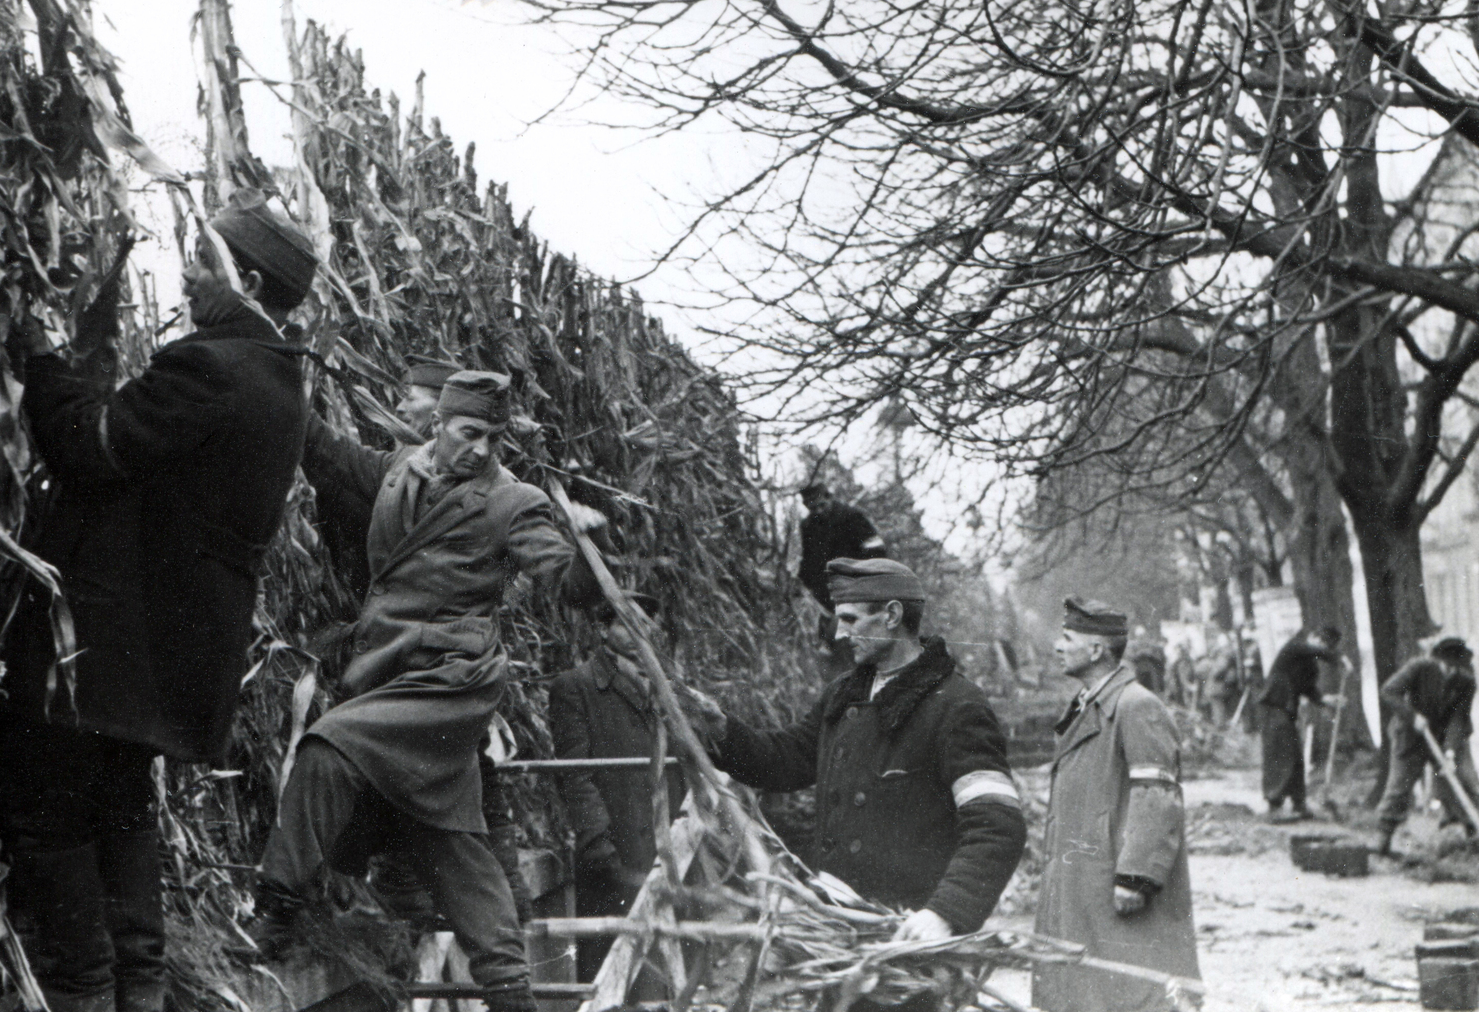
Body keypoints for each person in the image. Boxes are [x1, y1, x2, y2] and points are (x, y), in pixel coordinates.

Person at [0, 191, 317, 1012]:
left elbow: (89, 447)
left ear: (240, 276)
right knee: (127, 850)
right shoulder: (279, 379)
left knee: (61, 866)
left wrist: (38, 354)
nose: (187, 276)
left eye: (201, 261)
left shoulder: (210, 366)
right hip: (158, 673)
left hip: (98, 663)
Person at [248, 370, 604, 1012]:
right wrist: (266, 364)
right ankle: (511, 991)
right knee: (450, 834)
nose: (483, 449)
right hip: (389, 675)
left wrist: (588, 554)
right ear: (438, 425)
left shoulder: (512, 501)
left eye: (494, 438)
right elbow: (323, 452)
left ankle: (274, 907)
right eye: (470, 432)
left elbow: (563, 581)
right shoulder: (393, 471)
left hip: (448, 682)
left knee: (328, 750)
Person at [684, 559, 1026, 960]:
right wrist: (719, 729)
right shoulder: (845, 694)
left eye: (850, 619)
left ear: (892, 615)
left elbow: (997, 824)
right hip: (839, 925)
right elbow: (785, 760)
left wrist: (945, 913)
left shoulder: (956, 706)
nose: (840, 633)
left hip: (906, 935)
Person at [1033, 598, 1200, 1012]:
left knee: (1131, 992)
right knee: (1093, 991)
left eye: (1066, 638)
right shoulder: (1092, 703)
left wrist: (1137, 876)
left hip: (1115, 882)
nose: (1057, 646)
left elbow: (1157, 794)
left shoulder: (1136, 705)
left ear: (1095, 651)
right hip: (1087, 877)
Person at [548, 594, 687, 982]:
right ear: (602, 630)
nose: (640, 631)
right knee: (613, 976)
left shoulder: (667, 687)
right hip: (616, 856)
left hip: (666, 854)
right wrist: (599, 846)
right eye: (626, 622)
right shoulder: (576, 687)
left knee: (668, 977)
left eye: (647, 622)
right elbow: (576, 775)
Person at [310, 357, 462, 600]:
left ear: (440, 414)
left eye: (410, 398)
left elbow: (338, 454)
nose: (399, 408)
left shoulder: (423, 466)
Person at [1375, 636, 1479, 853]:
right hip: (1410, 735)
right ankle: (1382, 839)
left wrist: (1449, 752)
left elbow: (1458, 718)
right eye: (1447, 665)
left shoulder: (1467, 681)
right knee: (1399, 785)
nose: (1451, 670)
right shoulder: (1419, 667)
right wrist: (1412, 716)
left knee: (1466, 782)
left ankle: (1472, 834)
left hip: (1444, 736)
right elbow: (1389, 691)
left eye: (1456, 667)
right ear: (1439, 660)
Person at [797, 483, 886, 669]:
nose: (819, 511)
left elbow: (876, 549)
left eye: (822, 505)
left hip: (859, 588)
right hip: (827, 595)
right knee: (829, 643)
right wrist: (802, 582)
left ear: (829, 497)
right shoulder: (808, 526)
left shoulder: (852, 517)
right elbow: (809, 561)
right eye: (813, 508)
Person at [1257, 627, 1342, 821]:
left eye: (1327, 646)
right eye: (1321, 643)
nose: (1322, 649)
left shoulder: (1310, 665)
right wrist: (1338, 658)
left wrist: (1324, 699)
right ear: (1312, 636)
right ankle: (1274, 805)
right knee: (1278, 754)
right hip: (1273, 705)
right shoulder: (1294, 647)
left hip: (1287, 710)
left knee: (1295, 757)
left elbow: (1308, 688)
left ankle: (1299, 803)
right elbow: (1313, 650)